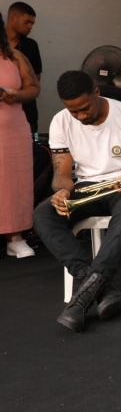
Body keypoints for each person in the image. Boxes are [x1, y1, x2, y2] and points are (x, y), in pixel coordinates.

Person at [33, 70, 121, 332]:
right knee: (43, 214)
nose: (80, 116)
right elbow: (63, 176)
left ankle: (81, 300)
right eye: (73, 111)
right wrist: (61, 192)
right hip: (87, 188)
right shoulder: (60, 122)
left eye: (85, 108)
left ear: (97, 92)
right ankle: (102, 290)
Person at [1, 13, 40, 258]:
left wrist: (16, 95)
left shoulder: (14, 56)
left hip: (11, 131)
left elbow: (33, 87)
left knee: (12, 183)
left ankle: (15, 237)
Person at [5, 2, 42, 134]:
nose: (30, 27)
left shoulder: (31, 45)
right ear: (13, 18)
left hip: (27, 112)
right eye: (27, 22)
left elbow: (36, 79)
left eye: (32, 24)